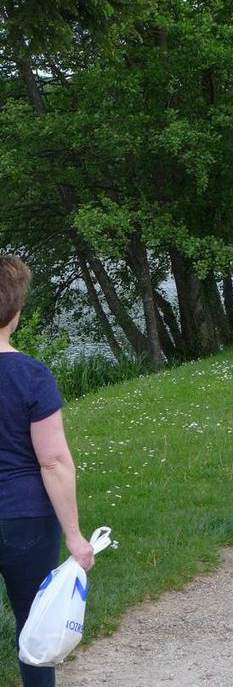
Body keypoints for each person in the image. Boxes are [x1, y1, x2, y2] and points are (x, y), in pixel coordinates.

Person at [0, 256, 94, 687]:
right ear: (16, 313)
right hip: (27, 521)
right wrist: (75, 536)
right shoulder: (32, 376)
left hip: (22, 515)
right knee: (34, 627)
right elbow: (53, 461)